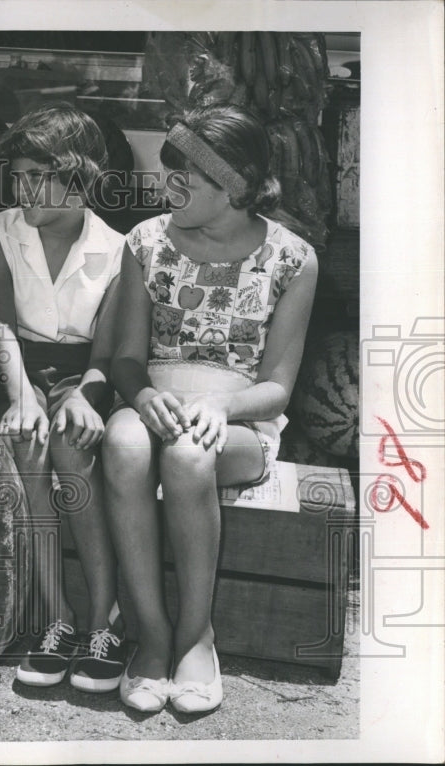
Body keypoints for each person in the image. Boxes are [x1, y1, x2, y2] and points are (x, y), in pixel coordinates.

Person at [103, 103, 318, 713]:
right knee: (123, 445)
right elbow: (125, 358)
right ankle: (152, 635)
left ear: (235, 186)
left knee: (190, 457)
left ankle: (197, 636)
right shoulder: (145, 243)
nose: (168, 188)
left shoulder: (292, 259)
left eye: (185, 179)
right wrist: (143, 396)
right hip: (156, 400)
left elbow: (277, 386)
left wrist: (221, 407)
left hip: (242, 413)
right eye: (167, 174)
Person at [0, 103, 127, 693]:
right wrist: (21, 395)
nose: (23, 190)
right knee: (27, 446)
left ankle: (104, 620)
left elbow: (108, 355)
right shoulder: (0, 229)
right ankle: (56, 618)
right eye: (17, 177)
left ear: (79, 178)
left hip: (85, 377)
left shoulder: (119, 249)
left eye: (37, 178)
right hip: (16, 367)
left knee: (71, 448)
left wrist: (86, 397)